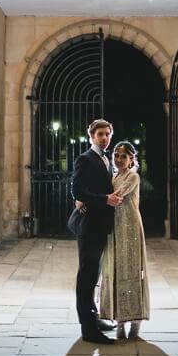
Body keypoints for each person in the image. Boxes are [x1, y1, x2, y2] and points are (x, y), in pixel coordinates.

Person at [70, 118, 123, 344]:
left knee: (95, 276)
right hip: (89, 227)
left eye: (108, 134)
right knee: (86, 278)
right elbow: (77, 191)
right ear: (91, 136)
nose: (105, 138)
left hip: (100, 226)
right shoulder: (85, 159)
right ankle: (88, 330)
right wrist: (105, 199)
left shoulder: (106, 159)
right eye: (100, 134)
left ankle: (94, 319)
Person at [99, 140, 150, 339]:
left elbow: (116, 197)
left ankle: (135, 325)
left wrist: (93, 198)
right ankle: (119, 323)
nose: (119, 159)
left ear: (131, 159)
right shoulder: (112, 177)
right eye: (116, 156)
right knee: (116, 272)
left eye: (123, 156)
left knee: (132, 271)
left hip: (130, 231)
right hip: (115, 231)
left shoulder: (133, 177)